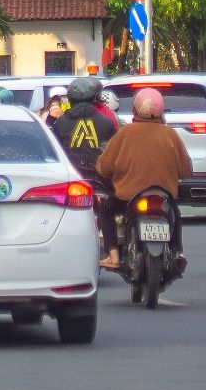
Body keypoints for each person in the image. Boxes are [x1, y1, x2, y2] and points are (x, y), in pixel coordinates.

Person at [94, 87, 194, 271]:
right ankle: (177, 251)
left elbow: (103, 168)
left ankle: (114, 256)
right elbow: (186, 170)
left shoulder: (124, 133)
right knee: (175, 214)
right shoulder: (170, 134)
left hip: (127, 198)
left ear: (135, 109)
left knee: (104, 211)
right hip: (163, 196)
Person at [52, 75, 121, 263]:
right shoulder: (106, 122)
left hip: (72, 178)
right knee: (106, 209)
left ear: (70, 99)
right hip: (100, 178)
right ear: (94, 99)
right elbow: (115, 150)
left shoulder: (61, 123)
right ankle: (113, 254)